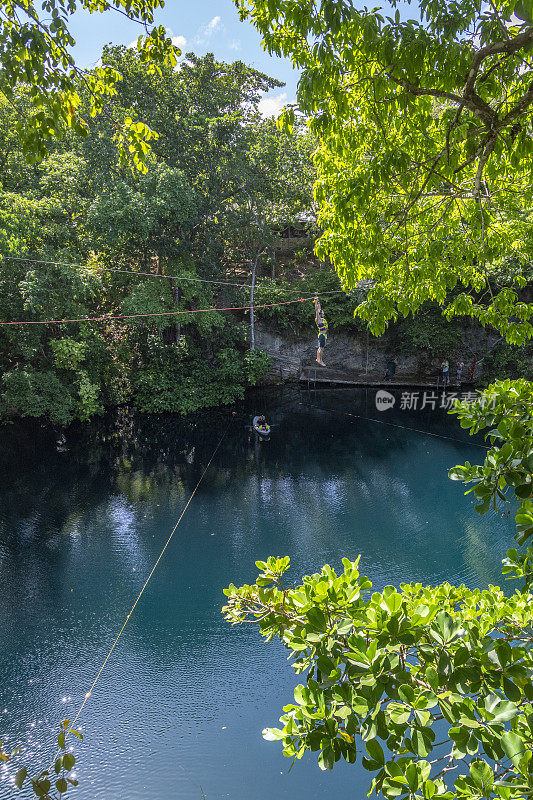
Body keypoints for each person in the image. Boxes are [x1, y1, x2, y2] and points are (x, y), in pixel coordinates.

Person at [314, 296, 328, 366]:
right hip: (322, 335)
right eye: (322, 313)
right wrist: (315, 301)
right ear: (320, 314)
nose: (323, 313)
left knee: (321, 348)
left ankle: (318, 359)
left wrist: (318, 299)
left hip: (324, 335)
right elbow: (317, 309)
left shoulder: (322, 319)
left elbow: (319, 308)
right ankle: (320, 361)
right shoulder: (319, 319)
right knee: (321, 348)